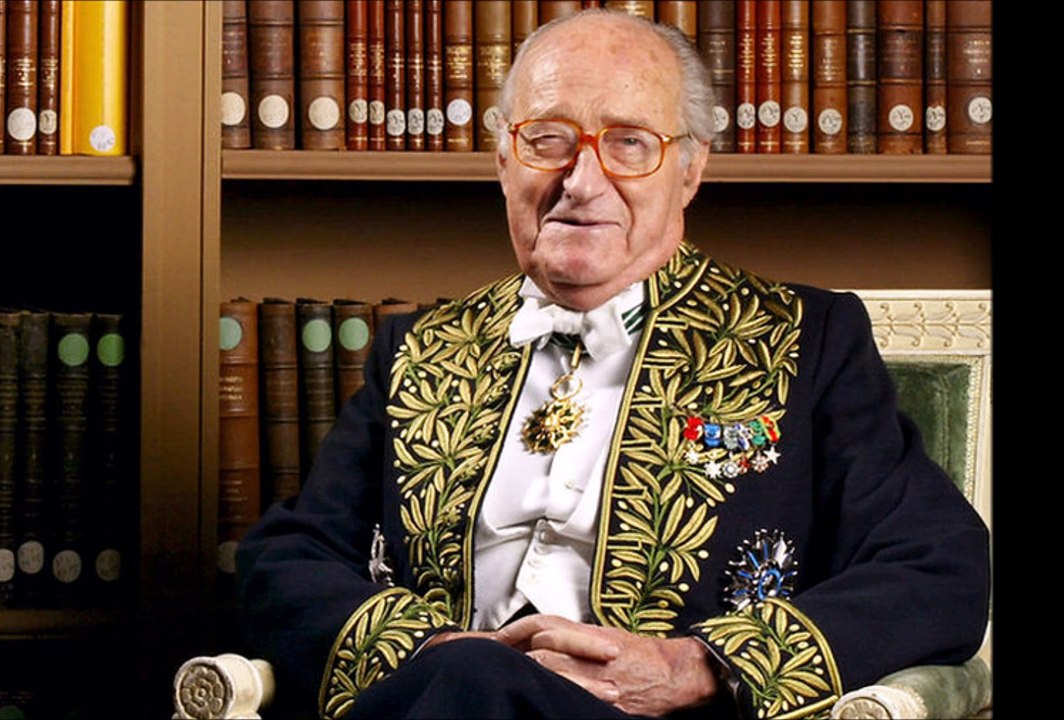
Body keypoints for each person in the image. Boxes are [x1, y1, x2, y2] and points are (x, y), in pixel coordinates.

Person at [236, 10, 990, 720]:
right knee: (470, 679)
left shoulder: (806, 338)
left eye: (629, 142)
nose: (582, 180)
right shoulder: (419, 346)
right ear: (503, 159)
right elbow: (285, 561)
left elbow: (937, 567)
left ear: (690, 170)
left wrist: (698, 667)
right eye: (548, 139)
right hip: (443, 697)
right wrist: (427, 652)